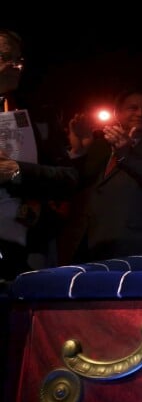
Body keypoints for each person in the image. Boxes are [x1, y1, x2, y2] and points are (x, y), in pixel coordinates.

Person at [62, 88, 142, 263]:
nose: (140, 113)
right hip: (85, 245)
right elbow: (74, 183)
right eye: (133, 108)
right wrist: (79, 150)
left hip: (133, 249)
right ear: (117, 113)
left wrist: (126, 155)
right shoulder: (99, 146)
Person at [0, 28, 79, 281]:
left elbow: (69, 178)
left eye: (18, 59)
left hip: (22, 253)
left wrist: (16, 171)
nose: (15, 66)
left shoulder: (37, 115)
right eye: (4, 57)